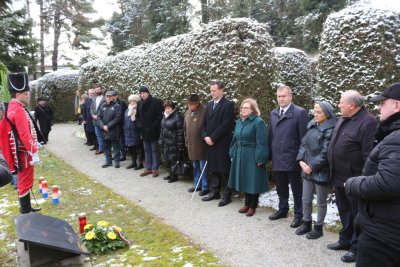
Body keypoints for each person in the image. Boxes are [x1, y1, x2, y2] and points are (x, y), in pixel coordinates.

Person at [345, 83, 400, 266]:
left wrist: (352, 184)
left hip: (383, 236)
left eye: (383, 103)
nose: (378, 107)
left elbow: (387, 183)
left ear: (397, 105)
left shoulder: (396, 138)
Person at [327, 90, 378, 263]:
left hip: (355, 179)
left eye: (341, 102)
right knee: (344, 210)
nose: (338, 105)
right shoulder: (344, 117)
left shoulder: (368, 122)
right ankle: (345, 239)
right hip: (339, 175)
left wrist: (364, 181)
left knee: (358, 214)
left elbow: (369, 155)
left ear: (352, 105)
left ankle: (357, 247)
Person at [0, 72, 42, 213]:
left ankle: (27, 207)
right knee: (25, 181)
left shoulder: (14, 106)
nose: (28, 95)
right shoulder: (17, 110)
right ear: (17, 94)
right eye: (25, 93)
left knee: (25, 180)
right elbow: (24, 135)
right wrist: (34, 152)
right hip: (24, 154)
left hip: (23, 152)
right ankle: (25, 211)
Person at [295, 101, 337, 239]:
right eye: (314, 111)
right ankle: (306, 223)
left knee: (321, 201)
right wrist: (301, 161)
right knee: (305, 199)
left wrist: (311, 166)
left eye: (319, 112)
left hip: (321, 170)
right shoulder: (312, 125)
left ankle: (318, 228)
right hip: (306, 168)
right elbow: (303, 144)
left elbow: (326, 153)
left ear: (327, 114)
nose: (315, 114)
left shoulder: (331, 130)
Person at [268, 85, 308, 228]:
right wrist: (270, 154)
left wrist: (301, 158)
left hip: (293, 158)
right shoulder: (273, 113)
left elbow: (304, 139)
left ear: (290, 96)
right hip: (278, 157)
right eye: (279, 96)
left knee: (297, 189)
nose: (281, 99)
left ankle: (299, 215)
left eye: (284, 96)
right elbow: (271, 136)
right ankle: (283, 209)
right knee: (281, 187)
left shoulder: (300, 113)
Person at [228, 98, 269, 216]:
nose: (243, 110)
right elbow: (235, 139)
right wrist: (232, 153)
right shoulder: (239, 122)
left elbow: (262, 142)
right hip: (240, 154)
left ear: (252, 110)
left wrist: (260, 157)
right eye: (242, 108)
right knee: (244, 179)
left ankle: (253, 205)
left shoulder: (258, 122)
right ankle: (246, 203)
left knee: (253, 180)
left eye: (246, 108)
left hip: (252, 154)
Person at [201, 80, 235, 206]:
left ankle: (227, 195)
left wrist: (213, 138)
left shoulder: (228, 105)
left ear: (221, 90)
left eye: (214, 90)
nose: (212, 93)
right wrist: (205, 136)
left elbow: (226, 125)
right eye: (211, 91)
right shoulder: (209, 105)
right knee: (213, 168)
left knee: (224, 169)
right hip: (209, 142)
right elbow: (203, 123)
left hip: (222, 142)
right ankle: (214, 192)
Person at [184, 94, 209, 196]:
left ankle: (205, 186)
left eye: (191, 104)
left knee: (203, 167)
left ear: (197, 103)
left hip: (201, 145)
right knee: (195, 166)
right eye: (188, 104)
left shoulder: (204, 111)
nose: (189, 106)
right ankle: (196, 184)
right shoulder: (187, 112)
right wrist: (186, 141)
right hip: (191, 145)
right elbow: (184, 128)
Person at [137, 85, 163, 177]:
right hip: (144, 130)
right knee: (146, 150)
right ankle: (148, 168)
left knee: (154, 149)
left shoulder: (155, 101)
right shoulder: (139, 103)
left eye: (144, 93)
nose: (143, 95)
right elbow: (138, 116)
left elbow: (160, 115)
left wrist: (154, 125)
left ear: (148, 93)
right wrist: (140, 125)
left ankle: (155, 168)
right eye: (141, 93)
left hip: (153, 130)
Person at [159, 100, 184, 183]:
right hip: (166, 142)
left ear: (173, 108)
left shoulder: (177, 117)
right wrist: (161, 139)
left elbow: (180, 131)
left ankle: (174, 176)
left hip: (174, 142)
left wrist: (180, 144)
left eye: (169, 108)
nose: (167, 109)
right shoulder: (164, 116)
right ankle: (170, 174)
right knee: (168, 159)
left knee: (174, 159)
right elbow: (162, 129)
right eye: (166, 108)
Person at [98, 91, 121, 168]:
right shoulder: (102, 106)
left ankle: (117, 161)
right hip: (104, 130)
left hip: (113, 130)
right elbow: (99, 117)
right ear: (105, 97)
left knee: (115, 147)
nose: (108, 98)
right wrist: (103, 126)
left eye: (110, 96)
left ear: (112, 97)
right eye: (107, 96)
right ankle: (108, 161)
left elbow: (117, 118)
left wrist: (108, 126)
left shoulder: (117, 106)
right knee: (106, 147)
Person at [124, 94, 144, 170]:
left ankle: (140, 162)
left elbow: (140, 122)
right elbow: (125, 120)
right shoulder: (127, 110)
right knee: (131, 148)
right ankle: (133, 162)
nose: (132, 102)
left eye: (134, 101)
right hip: (128, 132)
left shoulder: (139, 110)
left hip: (136, 131)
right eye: (131, 101)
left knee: (139, 148)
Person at [113, 90, 128, 161]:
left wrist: (124, 125)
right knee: (115, 142)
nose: (113, 97)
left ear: (117, 96)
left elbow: (125, 115)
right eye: (112, 96)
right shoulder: (111, 104)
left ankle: (123, 155)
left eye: (115, 95)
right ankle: (117, 154)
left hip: (121, 125)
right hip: (113, 126)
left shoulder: (122, 103)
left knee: (121, 141)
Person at [91, 84, 105, 155]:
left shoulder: (105, 98)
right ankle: (100, 149)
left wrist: (98, 115)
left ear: (101, 90)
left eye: (98, 89)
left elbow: (105, 109)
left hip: (102, 120)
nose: (97, 91)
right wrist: (92, 115)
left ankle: (105, 149)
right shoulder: (93, 98)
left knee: (104, 135)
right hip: (95, 120)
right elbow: (91, 108)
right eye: (96, 90)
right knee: (98, 135)